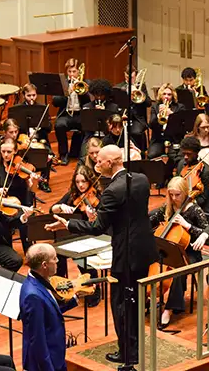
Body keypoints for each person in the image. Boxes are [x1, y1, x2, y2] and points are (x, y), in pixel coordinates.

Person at [45, 145, 158, 364]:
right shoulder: (142, 180)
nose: (96, 163)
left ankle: (128, 353)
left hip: (126, 254)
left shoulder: (113, 191)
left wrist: (68, 224)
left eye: (99, 161)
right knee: (135, 301)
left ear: (110, 163)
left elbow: (97, 227)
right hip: (145, 249)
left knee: (121, 304)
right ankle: (134, 347)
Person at [150, 176, 208, 326]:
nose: (174, 198)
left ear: (184, 192)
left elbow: (206, 229)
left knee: (178, 271)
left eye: (178, 194)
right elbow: (150, 220)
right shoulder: (167, 207)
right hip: (169, 248)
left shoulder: (194, 209)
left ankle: (169, 309)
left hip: (190, 253)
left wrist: (187, 226)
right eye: (171, 194)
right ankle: (148, 297)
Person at [20, 243, 86, 371]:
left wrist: (75, 297)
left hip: (56, 355)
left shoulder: (39, 281)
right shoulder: (32, 296)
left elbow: (51, 312)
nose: (57, 261)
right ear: (44, 265)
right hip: (46, 361)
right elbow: (37, 339)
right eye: (54, 258)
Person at [50, 165, 102, 307]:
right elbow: (52, 208)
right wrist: (60, 207)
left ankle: (93, 288)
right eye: (77, 182)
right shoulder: (72, 195)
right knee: (57, 255)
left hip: (89, 237)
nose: (80, 185)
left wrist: (92, 218)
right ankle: (61, 289)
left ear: (90, 181)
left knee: (81, 258)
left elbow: (101, 224)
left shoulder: (98, 197)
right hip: (72, 235)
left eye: (83, 181)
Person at [0, 137, 38, 253]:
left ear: (15, 151)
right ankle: (8, 252)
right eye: (3, 152)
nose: (6, 155)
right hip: (3, 207)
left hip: (21, 204)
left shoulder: (22, 168)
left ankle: (29, 251)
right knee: (1, 222)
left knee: (26, 220)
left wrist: (33, 180)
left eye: (9, 152)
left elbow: (31, 190)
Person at [53, 58, 91, 165]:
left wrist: (80, 92)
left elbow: (89, 101)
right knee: (59, 125)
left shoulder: (85, 83)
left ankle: (83, 154)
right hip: (66, 114)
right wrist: (67, 93)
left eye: (74, 71)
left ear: (79, 72)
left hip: (80, 115)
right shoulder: (62, 83)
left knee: (87, 125)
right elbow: (55, 102)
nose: (71, 74)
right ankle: (64, 154)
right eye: (69, 72)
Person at [114, 65, 151, 150]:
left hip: (137, 118)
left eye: (132, 77)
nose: (129, 79)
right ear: (124, 74)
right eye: (127, 77)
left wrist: (138, 91)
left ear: (136, 76)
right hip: (123, 116)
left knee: (136, 132)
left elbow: (148, 103)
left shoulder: (141, 86)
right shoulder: (118, 87)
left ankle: (139, 152)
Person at [148, 83, 185, 161]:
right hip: (158, 138)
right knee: (152, 155)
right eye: (164, 94)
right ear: (161, 95)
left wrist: (171, 114)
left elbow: (182, 126)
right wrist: (158, 116)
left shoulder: (180, 107)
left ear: (173, 96)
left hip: (174, 139)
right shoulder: (155, 106)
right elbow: (151, 125)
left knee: (175, 157)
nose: (166, 97)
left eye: (169, 94)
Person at [175, 136, 209, 213]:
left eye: (189, 154)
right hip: (179, 205)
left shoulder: (205, 171)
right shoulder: (181, 164)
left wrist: (187, 205)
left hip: (198, 209)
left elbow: (203, 198)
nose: (185, 157)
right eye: (184, 154)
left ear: (196, 153)